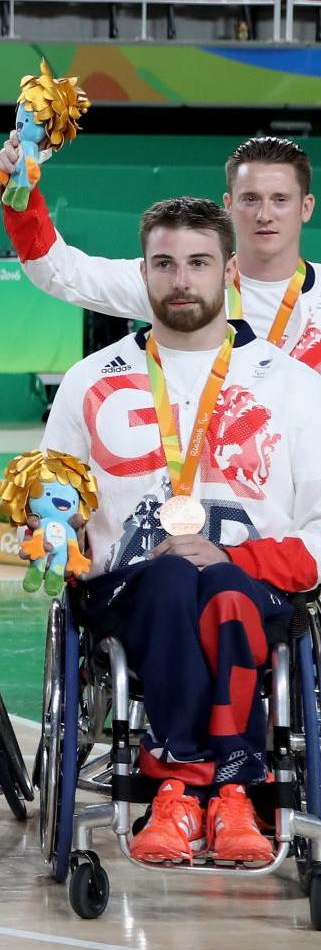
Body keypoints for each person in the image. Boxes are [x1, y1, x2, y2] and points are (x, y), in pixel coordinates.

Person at [38, 196, 321, 867]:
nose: (180, 280)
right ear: (143, 273)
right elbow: (52, 505)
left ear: (228, 272)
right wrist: (49, 536)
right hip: (125, 594)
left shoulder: (293, 386)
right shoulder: (89, 381)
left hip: (250, 588)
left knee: (218, 583)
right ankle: (216, 785)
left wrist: (230, 554)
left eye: (197, 263)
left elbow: (316, 536)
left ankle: (192, 789)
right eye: (163, 264)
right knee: (169, 575)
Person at [0, 134, 320, 370]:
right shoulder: (179, 283)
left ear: (305, 207)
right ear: (229, 205)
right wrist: (21, 191)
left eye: (280, 199)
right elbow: (59, 272)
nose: (264, 214)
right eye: (250, 199)